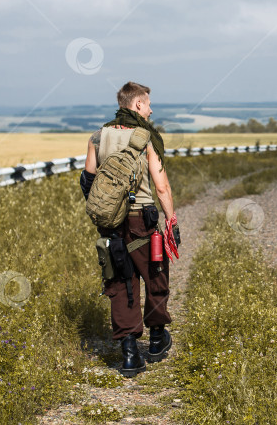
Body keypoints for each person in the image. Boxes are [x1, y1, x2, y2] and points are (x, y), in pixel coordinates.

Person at [81, 81, 176, 377]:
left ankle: (130, 354)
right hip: (142, 218)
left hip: (110, 221)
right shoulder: (146, 137)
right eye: (147, 104)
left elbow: (87, 180)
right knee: (156, 273)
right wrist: (171, 220)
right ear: (136, 105)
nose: (150, 109)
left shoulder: (97, 137)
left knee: (121, 282)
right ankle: (158, 336)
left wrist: (107, 212)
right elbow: (161, 187)